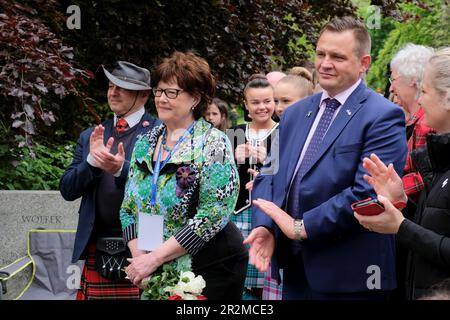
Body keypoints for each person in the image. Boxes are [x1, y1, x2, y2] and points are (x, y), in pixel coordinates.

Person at [244, 16, 407, 300]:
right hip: (294, 271)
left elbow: (368, 193)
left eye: (338, 57)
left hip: (350, 277)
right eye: (320, 54)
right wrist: (266, 226)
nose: (325, 63)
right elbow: (268, 174)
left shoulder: (382, 116)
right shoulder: (295, 113)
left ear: (364, 63)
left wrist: (300, 227)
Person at [120, 51, 248, 300]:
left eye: (172, 92)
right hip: (155, 265)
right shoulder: (145, 143)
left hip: (210, 267)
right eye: (159, 91)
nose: (161, 98)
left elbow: (214, 213)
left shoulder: (215, 143)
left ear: (195, 98)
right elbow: (127, 209)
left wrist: (154, 258)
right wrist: (140, 258)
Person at [354, 48, 450, 300]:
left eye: (425, 92)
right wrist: (404, 202)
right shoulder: (442, 157)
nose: (420, 101)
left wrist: (401, 226)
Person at [59, 61, 160, 299]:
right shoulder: (92, 135)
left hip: (145, 243)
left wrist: (120, 170)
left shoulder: (159, 133)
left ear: (144, 95)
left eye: (122, 88)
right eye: (111, 86)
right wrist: (92, 163)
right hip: (97, 242)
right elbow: (67, 190)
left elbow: (160, 188)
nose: (113, 92)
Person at [388, 43, 435, 300]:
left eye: (394, 79)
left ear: (413, 82)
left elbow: (427, 176)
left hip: (416, 222)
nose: (391, 87)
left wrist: (390, 191)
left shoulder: (427, 123)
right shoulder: (412, 119)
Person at [228, 74, 279, 300]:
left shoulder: (283, 131)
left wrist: (269, 160)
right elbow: (218, 177)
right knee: (236, 283)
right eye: (256, 102)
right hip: (236, 216)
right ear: (246, 105)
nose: (262, 107)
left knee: (264, 285)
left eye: (267, 101)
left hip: (268, 219)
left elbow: (291, 175)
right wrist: (230, 157)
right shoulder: (234, 133)